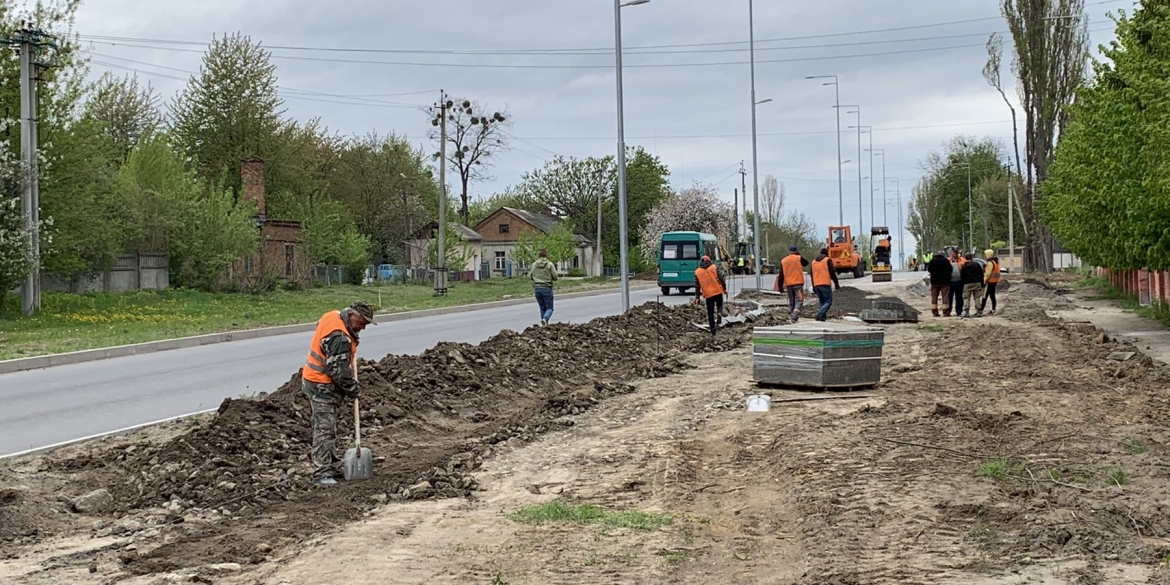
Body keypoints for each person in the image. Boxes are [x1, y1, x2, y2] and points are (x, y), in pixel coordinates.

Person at [301, 301, 377, 486]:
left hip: (315, 379)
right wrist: (353, 389)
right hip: (321, 384)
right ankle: (322, 472)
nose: (363, 328)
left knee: (329, 428)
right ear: (351, 316)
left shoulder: (333, 316)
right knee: (325, 429)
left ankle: (332, 466)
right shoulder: (340, 337)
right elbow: (339, 373)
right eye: (362, 323)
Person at [693, 254, 727, 336]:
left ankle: (712, 330)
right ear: (709, 261)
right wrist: (724, 289)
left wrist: (697, 297)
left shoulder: (697, 272)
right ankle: (719, 312)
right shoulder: (713, 267)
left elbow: (697, 286)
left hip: (708, 294)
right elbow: (721, 278)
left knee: (710, 313)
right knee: (719, 304)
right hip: (717, 291)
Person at [780, 245, 810, 322]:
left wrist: (780, 287)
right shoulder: (798, 258)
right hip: (798, 283)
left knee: (792, 300)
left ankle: (792, 315)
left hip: (789, 284)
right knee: (799, 300)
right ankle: (795, 315)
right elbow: (806, 263)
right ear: (796, 251)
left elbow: (781, 275)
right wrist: (798, 254)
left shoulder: (784, 261)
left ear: (789, 251)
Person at [811, 248, 841, 322]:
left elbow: (812, 275)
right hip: (825, 283)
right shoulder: (827, 260)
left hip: (816, 284)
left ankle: (822, 318)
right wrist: (836, 283)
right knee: (828, 302)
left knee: (822, 302)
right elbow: (832, 273)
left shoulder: (813, 262)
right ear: (827, 253)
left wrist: (813, 286)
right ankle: (819, 314)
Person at [530, 249, 558, 326]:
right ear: (546, 255)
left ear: (538, 255)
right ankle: (545, 319)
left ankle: (544, 324)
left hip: (537, 289)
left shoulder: (534, 264)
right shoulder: (550, 264)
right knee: (549, 308)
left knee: (542, 308)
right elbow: (555, 276)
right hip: (547, 288)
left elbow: (530, 276)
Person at [926, 250, 952, 317]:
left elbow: (929, 269)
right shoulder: (946, 261)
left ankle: (934, 312)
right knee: (945, 297)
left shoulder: (933, 261)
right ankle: (945, 312)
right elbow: (950, 269)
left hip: (934, 282)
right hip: (944, 282)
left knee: (934, 297)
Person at [960, 253, 984, 318]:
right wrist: (982, 283)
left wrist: (962, 284)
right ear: (972, 258)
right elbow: (981, 274)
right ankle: (978, 311)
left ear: (965, 258)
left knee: (966, 298)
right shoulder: (976, 265)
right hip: (977, 283)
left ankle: (967, 312)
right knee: (977, 297)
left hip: (967, 284)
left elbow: (961, 276)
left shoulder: (964, 266)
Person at [979, 248, 1001, 316]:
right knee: (992, 296)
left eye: (985, 254)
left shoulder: (990, 263)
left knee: (984, 296)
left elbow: (988, 274)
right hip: (994, 282)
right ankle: (993, 309)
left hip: (989, 282)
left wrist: (984, 280)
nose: (985, 256)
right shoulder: (995, 262)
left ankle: (981, 310)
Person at [947, 249, 964, 317]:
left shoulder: (962, 260)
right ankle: (948, 311)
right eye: (954, 253)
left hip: (960, 282)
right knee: (949, 297)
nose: (955, 254)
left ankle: (959, 311)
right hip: (950, 282)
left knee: (959, 297)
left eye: (956, 253)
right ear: (951, 253)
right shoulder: (948, 261)